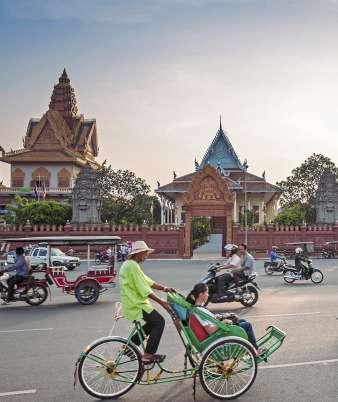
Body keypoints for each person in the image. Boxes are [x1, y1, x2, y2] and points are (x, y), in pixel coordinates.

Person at [119, 240, 176, 365]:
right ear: (138, 253)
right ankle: (148, 354)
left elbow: (148, 281)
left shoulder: (131, 265)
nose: (146, 256)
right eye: (145, 253)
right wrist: (162, 303)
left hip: (133, 302)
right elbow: (144, 288)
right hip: (136, 303)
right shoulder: (132, 266)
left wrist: (165, 288)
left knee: (152, 322)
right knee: (159, 321)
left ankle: (130, 347)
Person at [186, 283, 264, 356]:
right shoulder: (200, 311)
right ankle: (254, 351)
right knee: (247, 325)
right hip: (217, 335)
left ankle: (251, 349)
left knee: (243, 321)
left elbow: (209, 321)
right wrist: (223, 322)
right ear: (201, 295)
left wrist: (218, 317)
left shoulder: (198, 309)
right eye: (207, 293)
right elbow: (210, 330)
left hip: (217, 331)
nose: (208, 295)